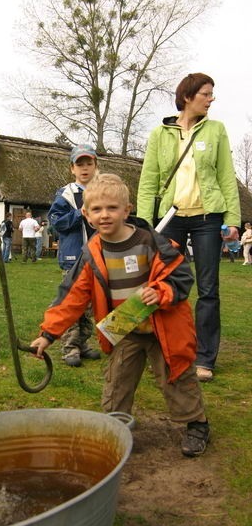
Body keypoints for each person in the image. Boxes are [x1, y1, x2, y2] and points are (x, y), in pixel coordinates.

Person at [32, 174, 209, 457]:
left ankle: (196, 423)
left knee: (175, 375)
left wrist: (162, 292)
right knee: (117, 380)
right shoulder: (91, 253)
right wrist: (47, 334)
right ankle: (115, 426)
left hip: (163, 325)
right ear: (87, 215)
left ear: (127, 210)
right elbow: (71, 297)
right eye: (97, 210)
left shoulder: (153, 242)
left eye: (112, 208)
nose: (105, 215)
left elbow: (182, 276)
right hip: (124, 326)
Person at [137, 72, 241, 383]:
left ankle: (205, 358)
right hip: (171, 219)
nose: (211, 99)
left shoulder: (217, 130)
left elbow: (226, 177)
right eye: (206, 94)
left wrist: (232, 219)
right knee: (164, 285)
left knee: (208, 289)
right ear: (187, 97)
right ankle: (165, 350)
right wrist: (144, 224)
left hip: (208, 218)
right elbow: (148, 181)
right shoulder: (160, 134)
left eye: (212, 94)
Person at [48, 143, 101, 367]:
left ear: (96, 166)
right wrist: (79, 214)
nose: (85, 168)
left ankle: (82, 342)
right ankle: (69, 347)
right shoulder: (67, 194)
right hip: (73, 258)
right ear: (72, 168)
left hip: (98, 257)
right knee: (73, 302)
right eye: (80, 164)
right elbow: (56, 223)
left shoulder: (102, 190)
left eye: (89, 163)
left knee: (90, 304)